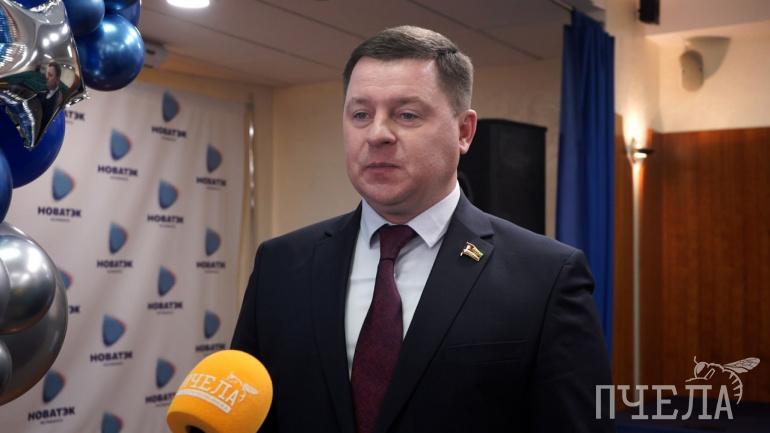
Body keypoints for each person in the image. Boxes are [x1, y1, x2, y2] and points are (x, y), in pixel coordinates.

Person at [232, 25, 613, 433]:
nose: (377, 134)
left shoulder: (546, 278)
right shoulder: (280, 265)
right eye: (360, 114)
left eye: (406, 115)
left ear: (464, 131)